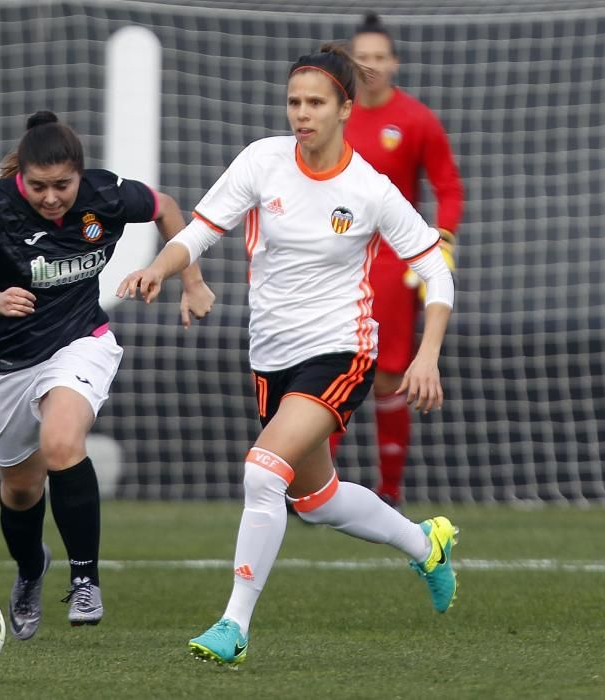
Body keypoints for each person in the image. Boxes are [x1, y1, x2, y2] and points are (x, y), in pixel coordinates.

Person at [117, 46, 458, 666]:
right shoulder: (263, 161)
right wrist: (161, 269)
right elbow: (197, 232)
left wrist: (427, 354)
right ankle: (426, 544)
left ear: (344, 109)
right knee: (315, 498)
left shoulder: (369, 190)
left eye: (316, 103)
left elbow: (436, 270)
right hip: (272, 356)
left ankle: (233, 625)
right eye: (295, 101)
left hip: (342, 350)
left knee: (262, 471)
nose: (302, 114)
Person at [0, 110, 214, 639]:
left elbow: (167, 209)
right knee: (20, 490)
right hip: (3, 366)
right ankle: (30, 569)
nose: (50, 198)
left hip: (79, 343)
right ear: (21, 175)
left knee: (63, 442)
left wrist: (192, 280)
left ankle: (85, 579)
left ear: (79, 175)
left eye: (62, 186)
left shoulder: (106, 195)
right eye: (38, 186)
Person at [333, 13, 465, 508]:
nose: (369, 66)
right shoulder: (334, 116)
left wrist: (441, 241)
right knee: (331, 367)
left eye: (378, 57)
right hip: (337, 259)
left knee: (388, 374)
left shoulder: (415, 119)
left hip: (391, 265)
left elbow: (448, 186)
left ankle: (389, 489)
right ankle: (313, 486)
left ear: (394, 63)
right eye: (360, 57)